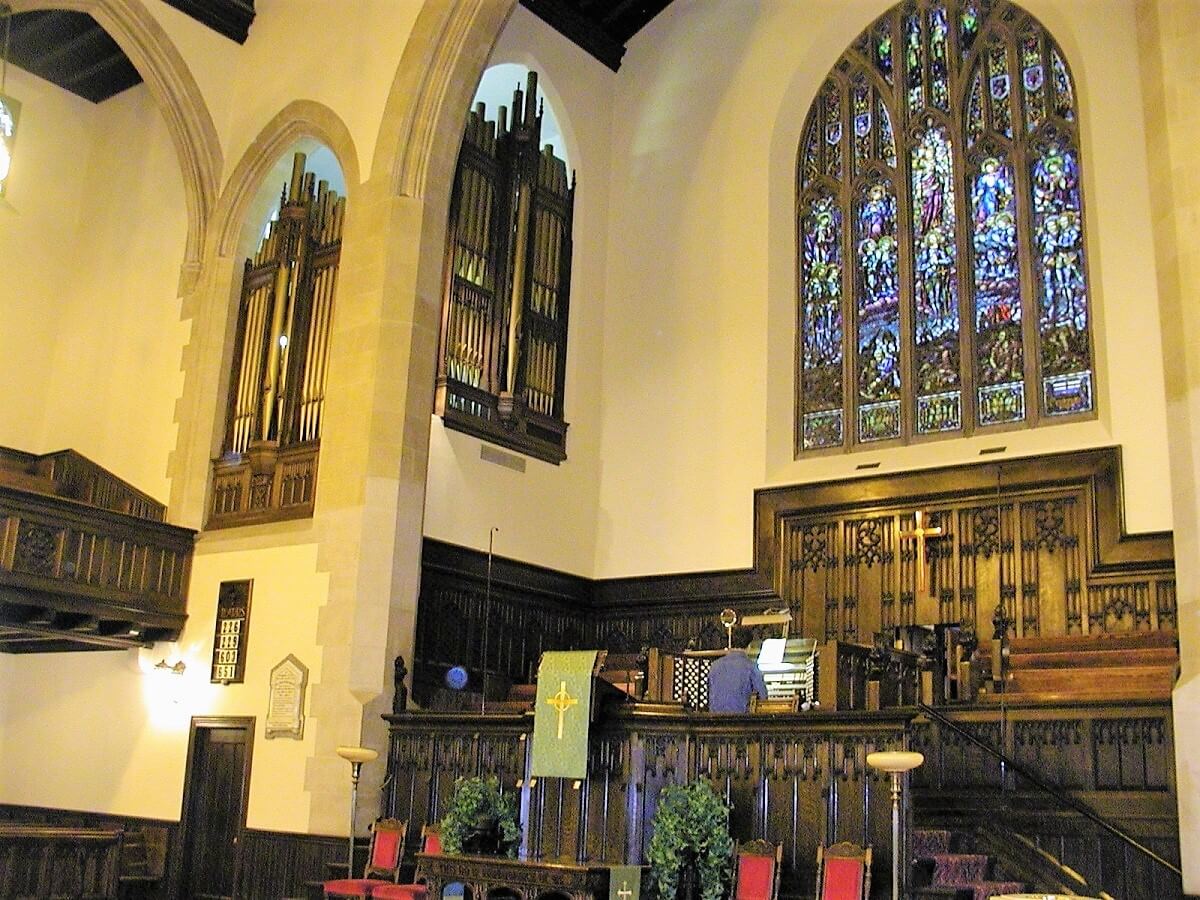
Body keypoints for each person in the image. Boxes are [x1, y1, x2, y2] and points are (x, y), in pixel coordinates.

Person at [707, 626, 769, 713]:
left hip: (714, 721)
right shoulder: (751, 667)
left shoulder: (715, 666)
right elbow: (763, 699)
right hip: (741, 722)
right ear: (749, 646)